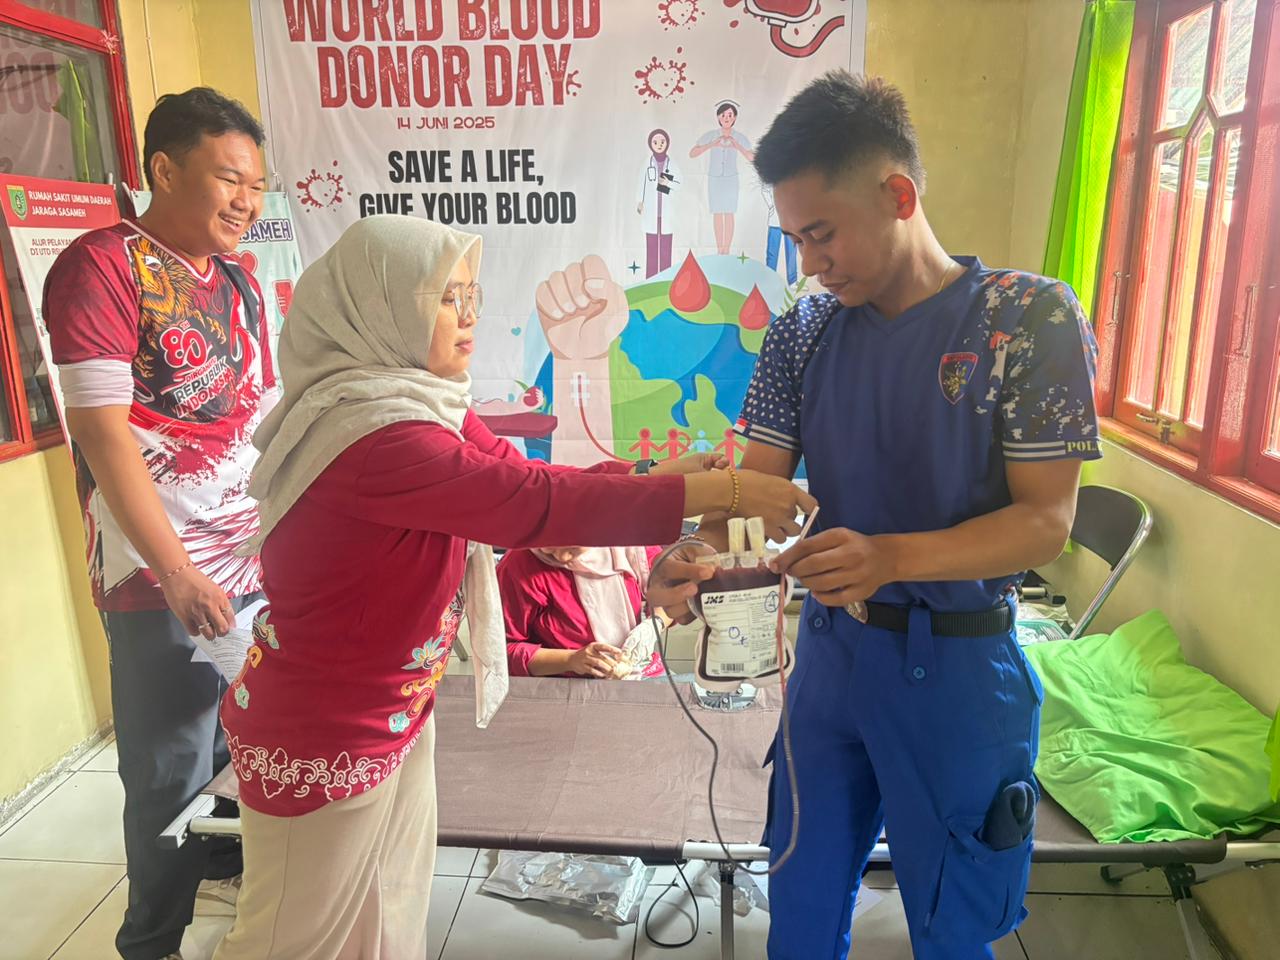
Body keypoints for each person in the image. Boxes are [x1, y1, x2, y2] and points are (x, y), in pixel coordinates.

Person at [211, 215, 814, 959]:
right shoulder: (376, 435)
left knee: (386, 918)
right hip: (324, 733)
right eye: (446, 298)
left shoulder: (428, 405)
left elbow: (528, 476)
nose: (469, 315)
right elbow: (530, 504)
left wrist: (662, 475)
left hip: (393, 713)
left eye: (472, 293)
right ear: (380, 308)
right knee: (289, 941)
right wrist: (723, 489)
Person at [707, 71, 1102, 959]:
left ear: (898, 195)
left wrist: (888, 557)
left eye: (822, 233)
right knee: (800, 905)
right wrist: (699, 546)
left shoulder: (1026, 318)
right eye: (794, 239)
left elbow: (1045, 522)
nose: (810, 263)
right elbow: (758, 495)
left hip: (959, 666)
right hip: (831, 662)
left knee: (954, 926)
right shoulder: (803, 331)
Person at [42, 88, 272, 960]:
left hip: (245, 561)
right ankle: (151, 944)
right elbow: (103, 433)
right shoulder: (101, 267)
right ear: (165, 170)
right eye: (229, 178)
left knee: (238, 740)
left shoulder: (239, 278)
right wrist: (176, 573)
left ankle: (227, 879)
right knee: (170, 769)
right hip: (158, 577)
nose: (246, 201)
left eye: (257, 184)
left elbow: (259, 413)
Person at [499, 544, 669, 679]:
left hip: (641, 670)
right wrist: (570, 660)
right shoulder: (519, 565)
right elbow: (500, 652)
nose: (562, 557)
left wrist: (654, 624)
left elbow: (670, 594)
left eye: (573, 546)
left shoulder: (632, 544)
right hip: (563, 682)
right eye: (547, 546)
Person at [689, 100, 755, 254]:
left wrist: (737, 146)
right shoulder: (711, 135)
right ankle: (720, 249)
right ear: (718, 117)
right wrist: (712, 144)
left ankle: (727, 249)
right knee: (717, 212)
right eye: (723, 115)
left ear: (735, 118)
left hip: (731, 179)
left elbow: (752, 157)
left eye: (730, 115)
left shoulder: (739, 137)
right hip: (714, 179)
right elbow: (692, 153)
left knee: (729, 212)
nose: (726, 118)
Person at [637, 128, 681, 278]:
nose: (659, 145)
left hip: (666, 213)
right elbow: (641, 183)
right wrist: (640, 201)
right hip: (651, 213)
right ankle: (650, 279)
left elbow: (680, 184)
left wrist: (668, 183)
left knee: (665, 248)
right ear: (650, 144)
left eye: (662, 142)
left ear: (667, 143)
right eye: (655, 142)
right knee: (652, 247)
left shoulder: (672, 164)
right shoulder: (647, 163)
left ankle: (666, 278)